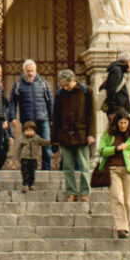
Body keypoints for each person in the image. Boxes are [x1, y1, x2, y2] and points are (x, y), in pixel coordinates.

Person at [95, 111, 130, 238]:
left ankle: (126, 225)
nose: (123, 125)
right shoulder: (109, 134)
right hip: (113, 169)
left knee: (129, 201)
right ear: (116, 123)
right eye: (121, 123)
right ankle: (121, 227)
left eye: (125, 123)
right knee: (117, 198)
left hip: (129, 170)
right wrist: (116, 149)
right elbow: (101, 150)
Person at [51, 68, 95, 202]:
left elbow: (91, 114)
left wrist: (91, 134)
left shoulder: (86, 91)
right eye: (63, 85)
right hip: (65, 134)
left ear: (74, 80)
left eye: (67, 85)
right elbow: (56, 116)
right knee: (67, 166)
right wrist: (54, 138)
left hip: (81, 133)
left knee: (84, 166)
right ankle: (71, 192)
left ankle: (85, 192)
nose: (65, 87)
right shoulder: (59, 94)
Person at [8, 58, 54, 170]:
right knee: (28, 147)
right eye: (28, 71)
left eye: (32, 70)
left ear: (36, 70)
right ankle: (29, 170)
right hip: (27, 121)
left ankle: (46, 170)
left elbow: (51, 102)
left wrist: (52, 118)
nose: (30, 73)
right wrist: (12, 117)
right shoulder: (18, 85)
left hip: (43, 119)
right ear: (24, 71)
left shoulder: (44, 84)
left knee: (46, 145)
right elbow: (12, 102)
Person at [14, 121, 46, 191]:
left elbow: (43, 142)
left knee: (32, 172)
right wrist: (17, 158)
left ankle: (31, 184)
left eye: (31, 130)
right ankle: (25, 184)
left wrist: (51, 141)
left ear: (34, 131)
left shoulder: (36, 138)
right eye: (27, 130)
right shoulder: (22, 138)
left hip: (33, 158)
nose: (29, 132)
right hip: (24, 158)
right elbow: (18, 149)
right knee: (25, 172)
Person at [101, 51, 130, 118]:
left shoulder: (119, 70)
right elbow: (112, 90)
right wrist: (113, 107)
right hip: (117, 108)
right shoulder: (117, 70)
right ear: (129, 62)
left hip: (119, 107)